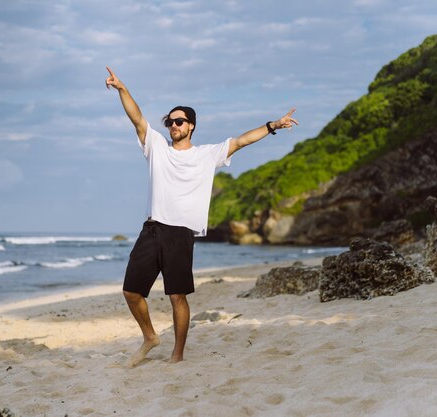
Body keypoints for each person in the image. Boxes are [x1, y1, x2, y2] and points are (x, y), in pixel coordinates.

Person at [105, 66, 298, 366]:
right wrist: (122, 89)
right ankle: (150, 337)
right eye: (170, 121)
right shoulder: (156, 148)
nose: (173, 125)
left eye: (179, 121)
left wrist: (273, 125)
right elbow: (137, 118)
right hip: (152, 229)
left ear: (191, 126)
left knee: (177, 297)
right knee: (131, 292)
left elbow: (241, 141)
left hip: (180, 233)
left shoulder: (207, 154)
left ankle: (178, 354)